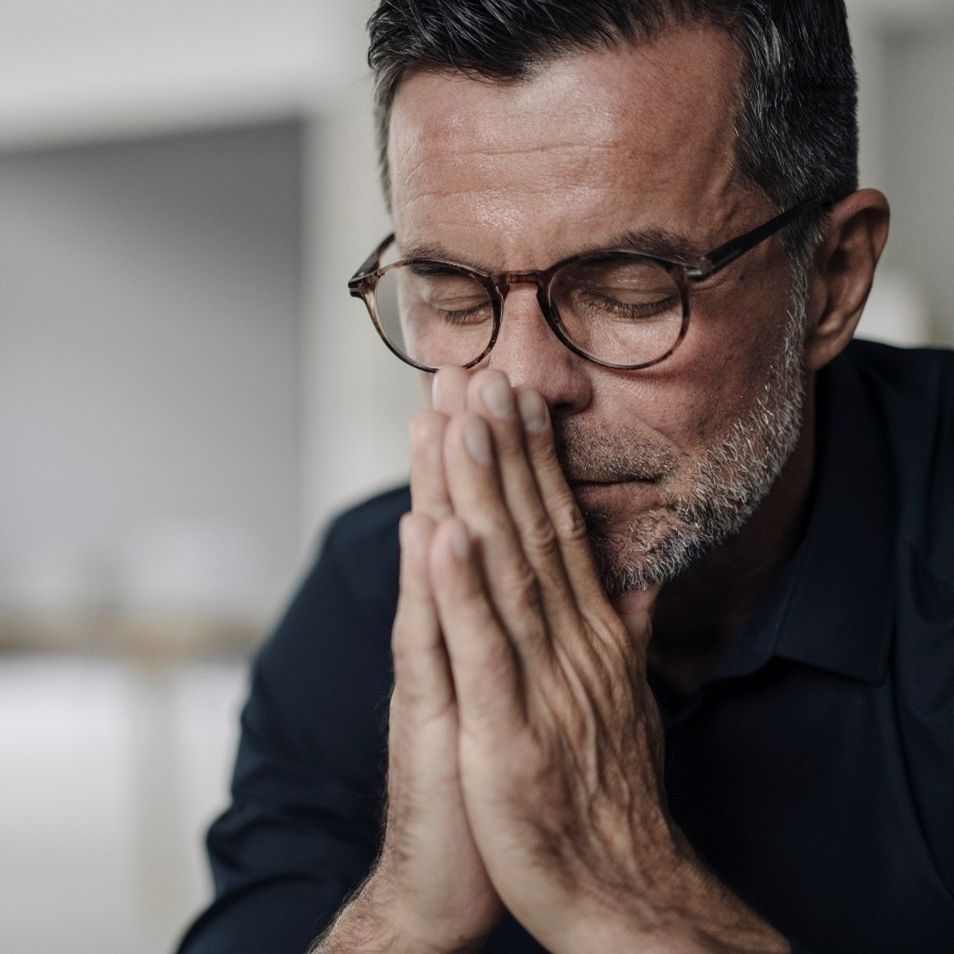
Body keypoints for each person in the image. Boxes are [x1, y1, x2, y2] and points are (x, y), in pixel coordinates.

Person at [177, 2, 954, 952]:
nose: (524, 386)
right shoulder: (368, 585)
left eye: (629, 291)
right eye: (454, 296)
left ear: (831, 278)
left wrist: (627, 894)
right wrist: (407, 917)